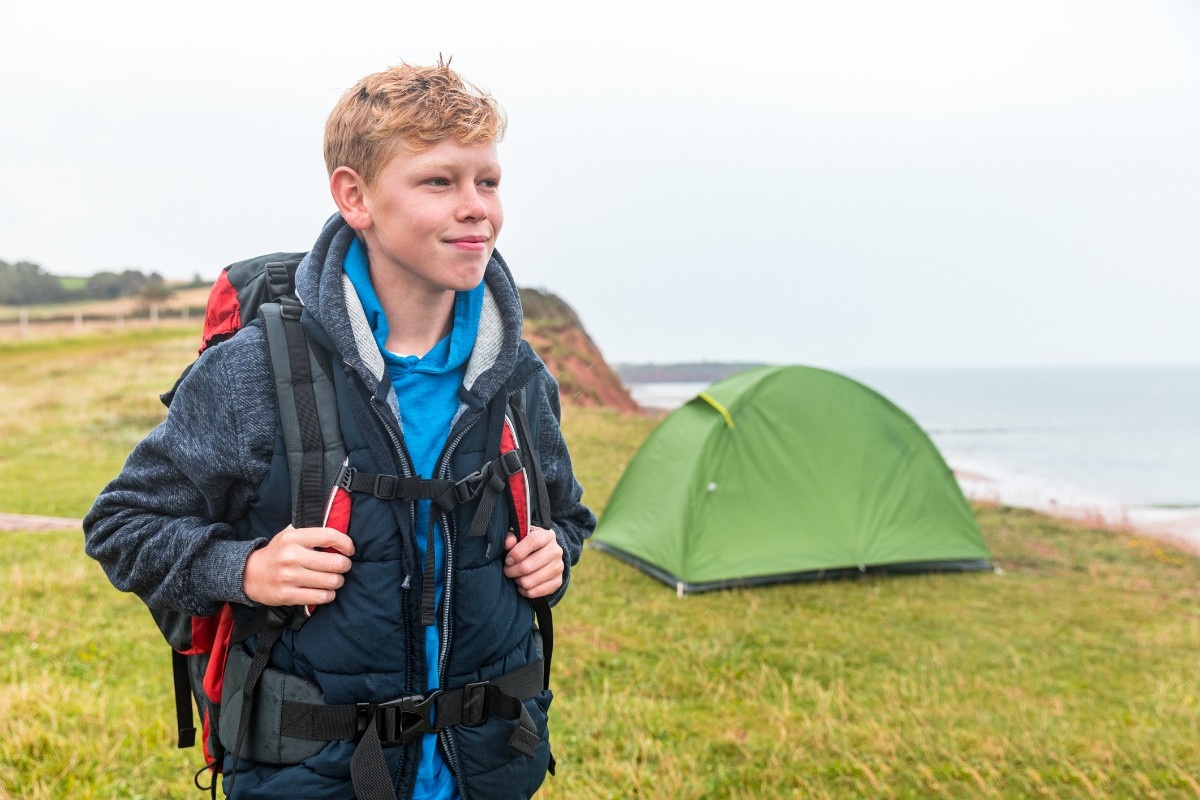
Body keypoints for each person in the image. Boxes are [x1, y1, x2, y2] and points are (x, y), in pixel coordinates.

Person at [83, 59, 595, 800]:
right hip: (313, 776)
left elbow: (567, 513)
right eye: (438, 181)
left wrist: (557, 553)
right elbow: (121, 523)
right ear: (354, 196)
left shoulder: (519, 375)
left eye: (487, 181)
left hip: (489, 767)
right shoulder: (253, 371)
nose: (476, 207)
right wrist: (247, 570)